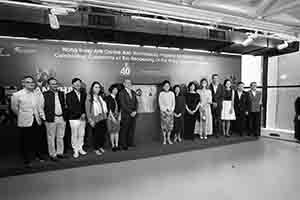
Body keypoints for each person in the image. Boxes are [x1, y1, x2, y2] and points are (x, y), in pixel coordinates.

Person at [11, 76, 45, 166]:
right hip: (25, 121)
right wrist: (22, 115)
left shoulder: (37, 93)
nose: (31, 84)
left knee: (38, 139)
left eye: (32, 82)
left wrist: (41, 116)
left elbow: (40, 106)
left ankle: (38, 155)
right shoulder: (17, 95)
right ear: (23, 83)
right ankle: (26, 158)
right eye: (28, 82)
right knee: (25, 141)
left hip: (37, 120)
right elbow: (14, 108)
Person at [43, 77, 67, 161]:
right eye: (52, 84)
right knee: (51, 137)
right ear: (48, 85)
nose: (54, 85)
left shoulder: (61, 93)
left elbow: (64, 105)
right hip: (51, 119)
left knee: (60, 137)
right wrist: (44, 118)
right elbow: (41, 107)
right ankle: (52, 154)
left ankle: (60, 153)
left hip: (62, 118)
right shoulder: (45, 94)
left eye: (55, 83)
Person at [66, 78, 87, 158]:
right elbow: (70, 107)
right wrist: (80, 114)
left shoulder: (84, 94)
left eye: (79, 83)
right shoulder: (68, 95)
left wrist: (84, 114)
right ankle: (75, 150)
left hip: (83, 118)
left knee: (82, 134)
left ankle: (80, 148)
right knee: (74, 135)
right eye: (76, 83)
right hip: (73, 118)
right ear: (72, 85)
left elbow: (84, 106)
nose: (78, 84)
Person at [85, 81, 108, 155]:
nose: (97, 89)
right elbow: (87, 110)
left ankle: (100, 146)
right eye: (96, 87)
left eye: (98, 87)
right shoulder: (89, 97)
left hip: (103, 118)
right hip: (95, 119)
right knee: (96, 135)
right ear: (92, 88)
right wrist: (90, 120)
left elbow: (103, 108)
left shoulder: (101, 97)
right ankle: (96, 148)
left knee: (102, 134)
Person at [118, 79, 138, 150]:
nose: (129, 84)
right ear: (124, 84)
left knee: (131, 129)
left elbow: (136, 103)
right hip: (126, 115)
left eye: (130, 83)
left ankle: (130, 143)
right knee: (124, 130)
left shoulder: (133, 92)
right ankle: (124, 145)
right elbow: (123, 105)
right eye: (127, 83)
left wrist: (135, 111)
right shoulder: (121, 93)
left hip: (134, 115)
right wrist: (130, 112)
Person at [158, 80, 175, 145]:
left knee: (170, 127)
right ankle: (164, 139)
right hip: (163, 112)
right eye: (165, 86)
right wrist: (165, 110)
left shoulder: (172, 93)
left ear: (169, 86)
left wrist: (171, 110)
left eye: (168, 85)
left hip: (171, 112)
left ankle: (168, 138)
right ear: (163, 87)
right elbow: (160, 103)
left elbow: (173, 103)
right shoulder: (161, 94)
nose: (166, 87)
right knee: (164, 127)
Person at [106, 84, 121, 152]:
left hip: (117, 116)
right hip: (110, 117)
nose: (116, 91)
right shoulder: (108, 98)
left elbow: (120, 108)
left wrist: (119, 116)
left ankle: (117, 145)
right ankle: (113, 145)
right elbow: (108, 109)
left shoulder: (118, 98)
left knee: (117, 132)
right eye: (114, 89)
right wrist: (113, 118)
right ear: (111, 90)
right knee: (112, 132)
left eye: (117, 89)